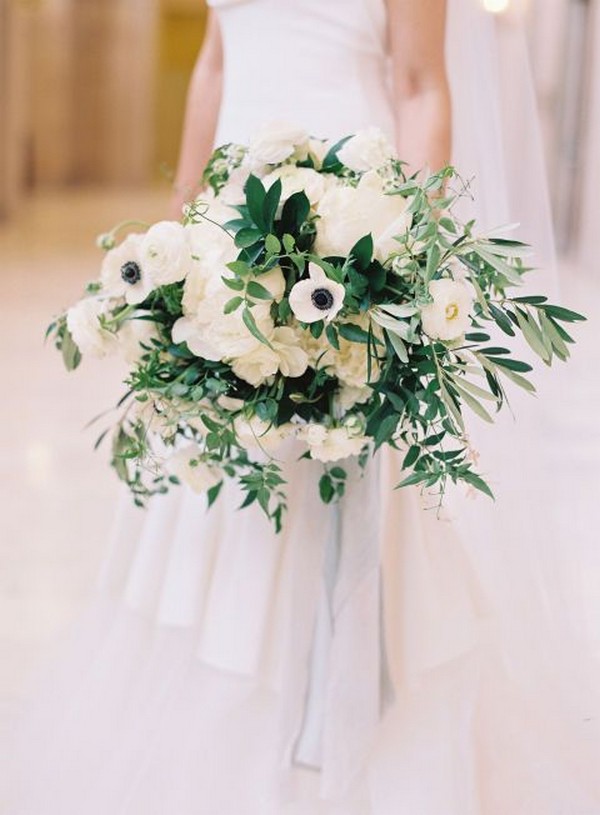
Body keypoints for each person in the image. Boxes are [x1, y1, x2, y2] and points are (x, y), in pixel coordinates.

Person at [5, 1, 600, 813]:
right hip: (230, 228)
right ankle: (225, 735)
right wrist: (179, 237)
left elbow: (423, 84)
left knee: (341, 480)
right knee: (221, 480)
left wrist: (411, 268)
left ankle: (339, 740)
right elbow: (215, 61)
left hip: (351, 222)